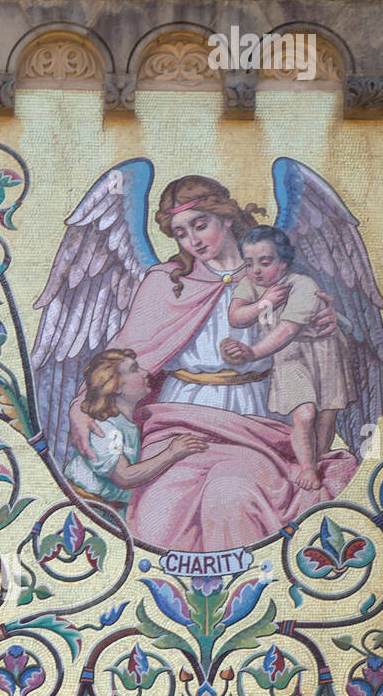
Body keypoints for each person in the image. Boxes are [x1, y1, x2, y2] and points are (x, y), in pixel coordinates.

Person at [65, 174, 355, 551]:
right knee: (159, 510)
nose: (193, 241)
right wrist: (80, 406)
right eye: (181, 233)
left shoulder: (274, 274)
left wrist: (328, 324)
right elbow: (123, 354)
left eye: (201, 225)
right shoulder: (166, 283)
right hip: (178, 417)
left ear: (227, 218)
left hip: (261, 414)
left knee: (232, 496)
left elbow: (323, 340)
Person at [222, 225, 354, 492]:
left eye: (265, 262)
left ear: (283, 263)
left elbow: (287, 329)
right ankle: (307, 468)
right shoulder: (251, 285)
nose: (256, 270)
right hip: (289, 357)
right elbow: (235, 317)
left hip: (324, 354)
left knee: (326, 418)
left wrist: (253, 352)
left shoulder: (302, 285)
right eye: (249, 263)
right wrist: (263, 303)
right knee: (304, 414)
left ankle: (317, 461)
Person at [64, 347, 207, 513]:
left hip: (111, 509)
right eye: (134, 370)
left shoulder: (132, 423)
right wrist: (172, 453)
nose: (145, 372)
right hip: (86, 505)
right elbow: (124, 477)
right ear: (115, 386)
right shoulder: (103, 427)